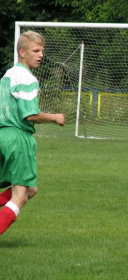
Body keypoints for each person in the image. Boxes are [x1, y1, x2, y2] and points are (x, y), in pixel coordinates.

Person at [0, 31, 65, 236]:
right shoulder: (26, 77)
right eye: (35, 51)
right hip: (17, 137)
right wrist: (55, 117)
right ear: (22, 52)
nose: (41, 55)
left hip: (3, 135)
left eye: (42, 51)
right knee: (20, 196)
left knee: (31, 189)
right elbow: (29, 115)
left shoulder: (8, 75)